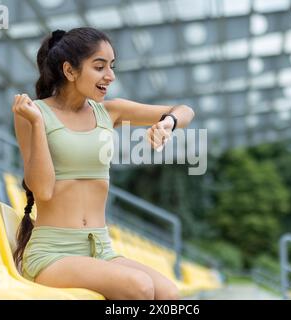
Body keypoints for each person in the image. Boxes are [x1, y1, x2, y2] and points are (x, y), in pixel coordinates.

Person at [11, 27, 195, 300]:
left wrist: (168, 124)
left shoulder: (110, 111)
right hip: (53, 253)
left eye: (112, 66)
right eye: (99, 67)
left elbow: (185, 110)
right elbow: (43, 190)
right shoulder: (33, 113)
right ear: (70, 71)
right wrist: (37, 124)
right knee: (139, 287)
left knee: (169, 294)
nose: (110, 76)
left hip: (100, 249)